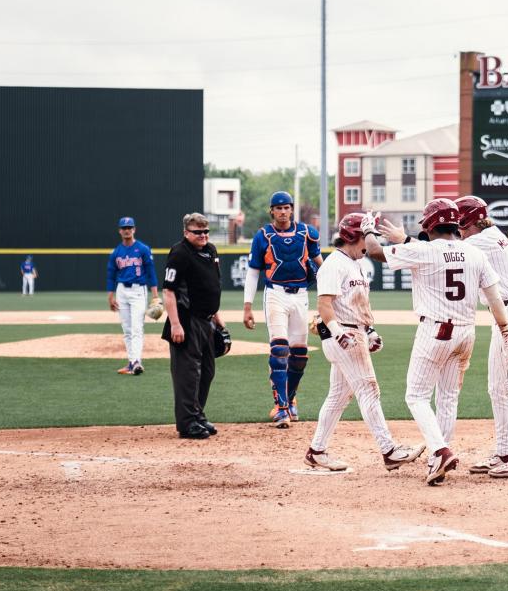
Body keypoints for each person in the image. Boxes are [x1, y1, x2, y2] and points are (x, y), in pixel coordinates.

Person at [364, 198, 508, 486]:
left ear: (432, 225)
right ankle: (438, 459)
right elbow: (495, 298)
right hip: (466, 333)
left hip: (436, 332)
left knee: (416, 396)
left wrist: (368, 228)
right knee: (448, 397)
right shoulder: (474, 253)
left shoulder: (425, 250)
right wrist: (506, 330)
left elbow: (373, 251)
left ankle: (440, 450)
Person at [303, 212, 425, 472]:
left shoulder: (354, 263)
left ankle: (317, 450)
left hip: (354, 332)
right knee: (369, 390)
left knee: (338, 396)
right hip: (343, 336)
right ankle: (389, 450)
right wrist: (338, 332)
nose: (368, 245)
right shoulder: (334, 264)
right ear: (352, 236)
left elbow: (356, 305)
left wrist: (369, 331)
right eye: (364, 238)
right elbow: (324, 304)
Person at [455, 195, 508, 478]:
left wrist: (405, 241)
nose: (459, 230)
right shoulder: (488, 236)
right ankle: (503, 453)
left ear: (469, 222)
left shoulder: (483, 239)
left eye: (460, 224)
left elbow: (446, 250)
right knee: (497, 389)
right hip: (505, 316)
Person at [243, 191, 323, 428]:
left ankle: (290, 398)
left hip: (301, 296)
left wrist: (331, 292)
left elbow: (320, 264)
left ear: (292, 209)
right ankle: (281, 407)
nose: (282, 212)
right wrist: (248, 306)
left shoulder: (307, 233)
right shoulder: (263, 236)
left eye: (287, 207)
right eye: (278, 208)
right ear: (272, 211)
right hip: (275, 293)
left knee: (299, 356)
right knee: (279, 349)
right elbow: (253, 271)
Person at [161, 213, 225, 440]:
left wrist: (217, 316)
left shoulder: (211, 251)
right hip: (187, 321)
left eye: (206, 231)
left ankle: (197, 415)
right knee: (188, 374)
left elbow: (211, 287)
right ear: (186, 232)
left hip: (207, 320)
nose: (203, 235)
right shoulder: (180, 253)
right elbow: (168, 291)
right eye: (198, 232)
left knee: (207, 371)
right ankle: (187, 423)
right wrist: (176, 325)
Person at [106, 216, 159, 375]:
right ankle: (131, 362)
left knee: (137, 327)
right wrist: (111, 296)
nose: (127, 230)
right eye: (124, 228)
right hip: (122, 290)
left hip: (138, 290)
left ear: (134, 229)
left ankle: (136, 361)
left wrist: (155, 296)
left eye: (130, 227)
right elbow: (111, 275)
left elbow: (151, 273)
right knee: (127, 329)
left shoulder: (143, 249)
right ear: (120, 231)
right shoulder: (116, 252)